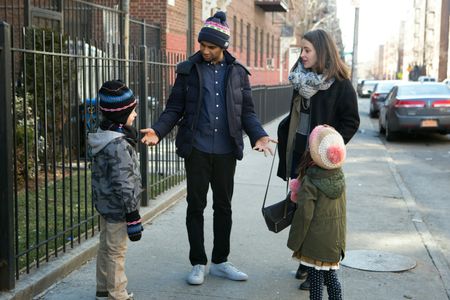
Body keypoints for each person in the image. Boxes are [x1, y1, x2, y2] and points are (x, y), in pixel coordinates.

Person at [140, 11, 275, 285]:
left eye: (211, 47)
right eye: (202, 45)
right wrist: (158, 129)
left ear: (223, 47)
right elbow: (174, 108)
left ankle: (221, 261)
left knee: (223, 207)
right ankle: (198, 263)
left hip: (226, 151)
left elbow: (246, 111)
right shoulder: (188, 70)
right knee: (195, 207)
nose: (204, 51)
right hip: (197, 149)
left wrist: (259, 135)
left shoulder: (238, 72)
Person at [276, 28, 359, 290]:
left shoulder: (341, 83)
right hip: (299, 153)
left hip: (321, 160)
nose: (302, 54)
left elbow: (351, 121)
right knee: (301, 207)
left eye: (307, 50)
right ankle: (305, 262)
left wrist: (330, 148)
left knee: (319, 215)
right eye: (301, 49)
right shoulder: (301, 79)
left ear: (321, 51)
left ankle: (317, 271)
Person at [88, 80, 143, 300]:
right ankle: (117, 294)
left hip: (105, 203)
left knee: (106, 247)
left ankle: (103, 289)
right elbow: (124, 183)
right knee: (116, 252)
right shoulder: (119, 145)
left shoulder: (104, 135)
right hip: (119, 207)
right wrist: (133, 216)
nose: (136, 114)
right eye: (133, 111)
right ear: (122, 115)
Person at [288, 124, 347, 300]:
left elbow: (304, 215)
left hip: (315, 241)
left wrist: (296, 241)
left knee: (315, 281)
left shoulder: (311, 180)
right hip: (334, 240)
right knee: (331, 277)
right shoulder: (339, 176)